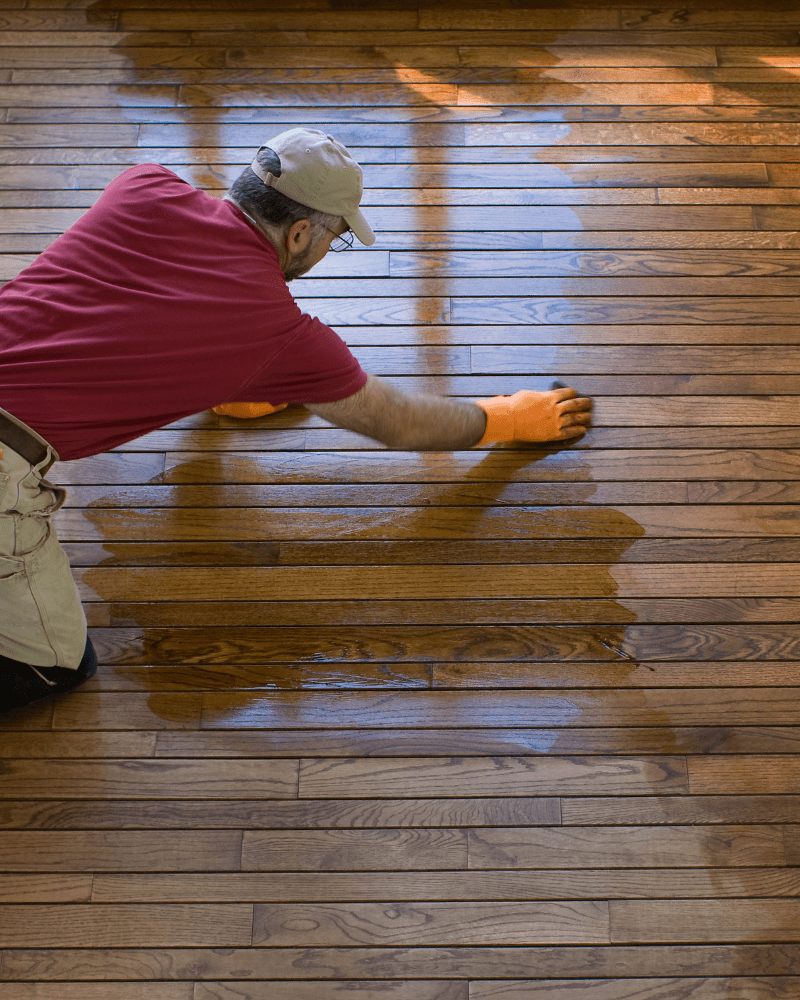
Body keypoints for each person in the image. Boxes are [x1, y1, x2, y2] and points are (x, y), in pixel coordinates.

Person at [0, 127, 592, 714]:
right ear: (301, 232)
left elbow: (132, 309)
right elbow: (401, 423)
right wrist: (511, 417)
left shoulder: (143, 187)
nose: (329, 249)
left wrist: (243, 378)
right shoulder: (278, 333)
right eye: (336, 237)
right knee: (56, 667)